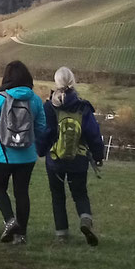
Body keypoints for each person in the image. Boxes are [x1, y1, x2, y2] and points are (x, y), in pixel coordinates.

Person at [0, 59, 51, 244]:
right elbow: (42, 127)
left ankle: (9, 220)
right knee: (22, 193)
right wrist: (31, 141)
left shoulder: (0, 98)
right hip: (27, 155)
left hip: (1, 153)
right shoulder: (35, 99)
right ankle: (21, 235)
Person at [43, 67, 107, 245]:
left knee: (57, 196)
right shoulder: (83, 106)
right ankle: (85, 219)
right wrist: (98, 155)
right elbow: (93, 133)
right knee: (80, 194)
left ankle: (61, 234)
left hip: (55, 160)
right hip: (78, 159)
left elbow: (47, 132)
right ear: (73, 81)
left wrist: (41, 150)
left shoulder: (50, 106)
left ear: (56, 82)